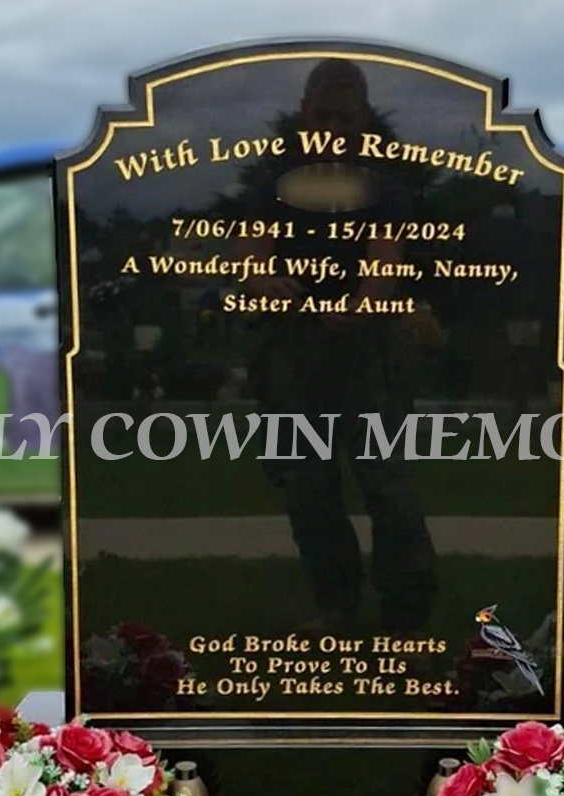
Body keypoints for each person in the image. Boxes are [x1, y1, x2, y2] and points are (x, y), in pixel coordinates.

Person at [240, 59, 436, 633]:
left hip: (370, 350)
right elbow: (251, 260)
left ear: (363, 117)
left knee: (387, 483)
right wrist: (266, 282)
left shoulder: (386, 188)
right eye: (322, 114)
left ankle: (407, 611)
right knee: (307, 490)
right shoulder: (271, 185)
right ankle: (335, 606)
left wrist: (361, 302)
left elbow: (385, 263)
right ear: (305, 114)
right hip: (293, 351)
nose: (332, 125)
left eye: (344, 116)